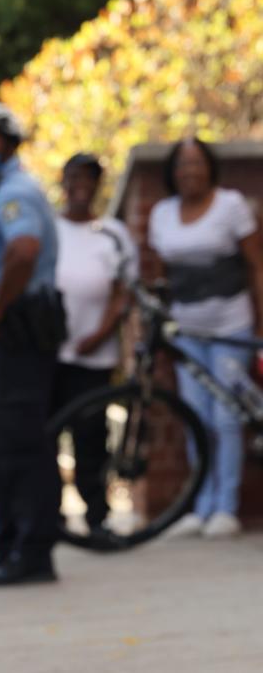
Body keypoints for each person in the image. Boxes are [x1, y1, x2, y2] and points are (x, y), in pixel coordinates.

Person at [0, 100, 63, 586]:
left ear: (9, 145)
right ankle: (15, 545)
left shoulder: (15, 191)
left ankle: (33, 549)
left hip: (17, 330)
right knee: (6, 440)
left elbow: (24, 250)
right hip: (9, 333)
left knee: (21, 443)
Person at [149, 138, 263, 539]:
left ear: (210, 167)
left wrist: (261, 326)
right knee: (194, 415)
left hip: (231, 325)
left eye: (196, 163)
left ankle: (226, 507)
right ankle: (200, 504)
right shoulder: (162, 213)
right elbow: (160, 276)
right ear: (173, 171)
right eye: (182, 164)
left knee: (226, 416)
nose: (189, 171)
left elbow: (255, 266)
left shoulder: (231, 206)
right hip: (185, 330)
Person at [53, 153, 137, 539]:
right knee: (46, 437)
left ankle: (97, 517)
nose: (80, 185)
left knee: (91, 438)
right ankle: (49, 517)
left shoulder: (114, 234)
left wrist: (101, 334)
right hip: (49, 354)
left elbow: (124, 294)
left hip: (95, 356)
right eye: (73, 177)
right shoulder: (48, 228)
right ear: (63, 181)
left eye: (89, 178)